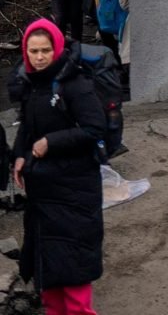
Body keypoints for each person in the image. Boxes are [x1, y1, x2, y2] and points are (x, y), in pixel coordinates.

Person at [13, 18, 105, 315]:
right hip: (43, 194)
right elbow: (26, 127)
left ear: (57, 49)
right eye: (33, 51)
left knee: (74, 274)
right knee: (50, 277)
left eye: (45, 50)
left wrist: (50, 142)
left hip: (74, 192)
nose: (39, 57)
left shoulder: (75, 84)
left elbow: (94, 128)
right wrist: (19, 154)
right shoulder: (31, 84)